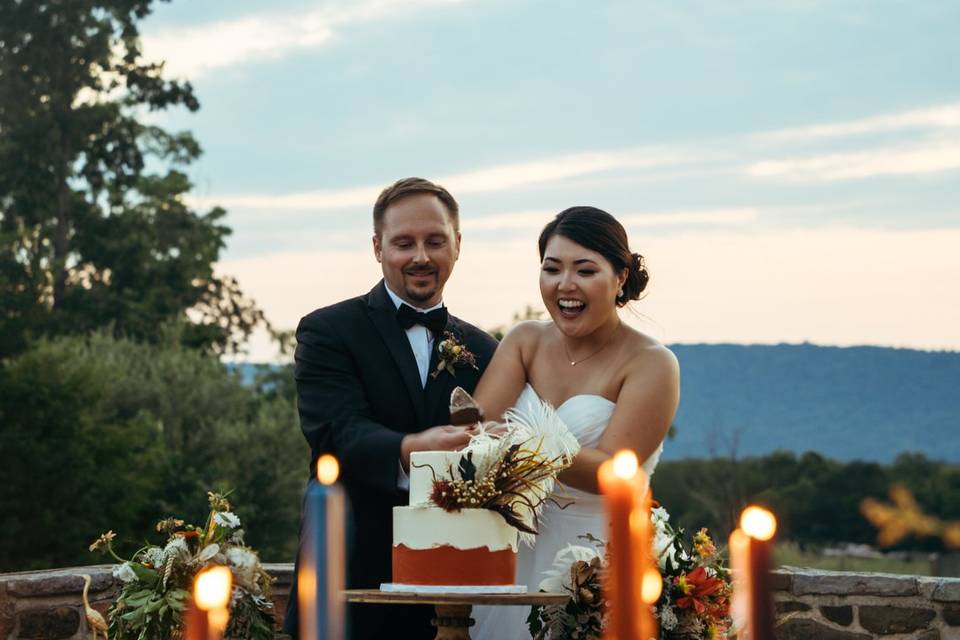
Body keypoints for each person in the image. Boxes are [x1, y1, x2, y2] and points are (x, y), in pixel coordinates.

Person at [282, 177, 498, 640]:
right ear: (378, 248)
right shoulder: (328, 331)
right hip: (350, 568)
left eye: (435, 241)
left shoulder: (484, 349)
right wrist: (411, 449)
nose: (420, 256)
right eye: (404, 243)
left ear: (457, 245)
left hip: (454, 589)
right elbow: (334, 432)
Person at [470, 206, 680, 639]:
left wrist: (512, 444)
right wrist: (495, 443)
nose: (565, 285)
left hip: (595, 562)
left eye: (585, 270)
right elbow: (473, 438)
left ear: (621, 276)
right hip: (509, 554)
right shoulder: (524, 340)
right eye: (552, 269)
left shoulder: (652, 364)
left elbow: (610, 472)